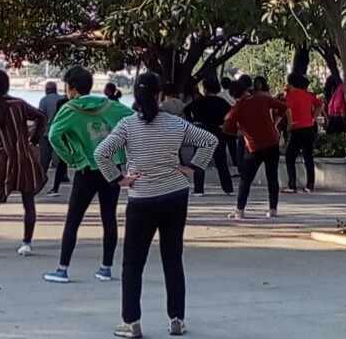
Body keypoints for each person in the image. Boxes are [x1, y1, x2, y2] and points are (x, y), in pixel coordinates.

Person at [95, 72, 219, 339]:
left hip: (142, 198)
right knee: (172, 257)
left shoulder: (127, 125)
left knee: (133, 262)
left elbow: (101, 153)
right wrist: (193, 168)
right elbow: (210, 140)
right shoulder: (175, 123)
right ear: (159, 95)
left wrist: (119, 179)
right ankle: (177, 319)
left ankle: (131, 322)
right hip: (175, 194)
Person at [43, 65, 133, 284]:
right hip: (112, 168)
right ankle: (106, 268)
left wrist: (72, 157)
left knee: (74, 219)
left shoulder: (70, 109)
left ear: (73, 87)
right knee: (109, 218)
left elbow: (54, 135)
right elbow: (134, 120)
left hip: (87, 169)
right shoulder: (111, 106)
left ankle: (63, 268)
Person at [0, 70, 47, 257]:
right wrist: (33, 140)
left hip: (3, 157)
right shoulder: (18, 104)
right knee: (28, 201)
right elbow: (41, 117)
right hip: (24, 157)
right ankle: (26, 243)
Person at [222, 76, 288, 219]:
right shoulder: (262, 98)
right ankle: (273, 209)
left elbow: (226, 128)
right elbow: (283, 106)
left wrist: (242, 132)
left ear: (233, 95)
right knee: (272, 176)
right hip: (272, 142)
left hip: (253, 146)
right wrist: (275, 123)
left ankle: (240, 210)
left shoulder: (236, 109)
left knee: (246, 179)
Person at [183, 78, 233, 196]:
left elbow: (186, 109)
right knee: (221, 162)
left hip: (202, 131)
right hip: (217, 132)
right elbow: (231, 113)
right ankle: (228, 188)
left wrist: (192, 121)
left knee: (200, 161)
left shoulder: (200, 101)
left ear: (206, 89)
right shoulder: (222, 102)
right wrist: (224, 124)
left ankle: (199, 189)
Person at [281, 73, 323, 194]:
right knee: (308, 156)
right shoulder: (307, 94)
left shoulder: (291, 96)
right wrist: (313, 118)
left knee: (290, 157)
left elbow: (288, 110)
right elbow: (320, 104)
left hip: (297, 128)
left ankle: (292, 185)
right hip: (309, 128)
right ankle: (310, 185)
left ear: (291, 84)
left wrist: (289, 125)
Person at [38, 81, 62, 174]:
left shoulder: (44, 100)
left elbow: (41, 116)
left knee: (44, 156)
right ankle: (63, 175)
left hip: (47, 131)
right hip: (60, 131)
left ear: (46, 90)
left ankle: (42, 174)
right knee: (61, 155)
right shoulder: (62, 99)